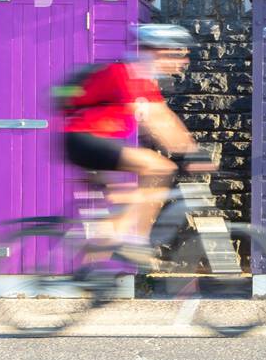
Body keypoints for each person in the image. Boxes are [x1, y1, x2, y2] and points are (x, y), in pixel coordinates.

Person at [59, 23, 214, 259]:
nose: (182, 62)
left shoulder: (142, 78)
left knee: (126, 198)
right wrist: (189, 154)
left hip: (91, 141)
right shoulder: (126, 73)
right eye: (178, 54)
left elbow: (167, 118)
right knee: (162, 167)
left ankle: (96, 268)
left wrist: (191, 149)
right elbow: (156, 120)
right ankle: (136, 241)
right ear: (158, 51)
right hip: (86, 139)